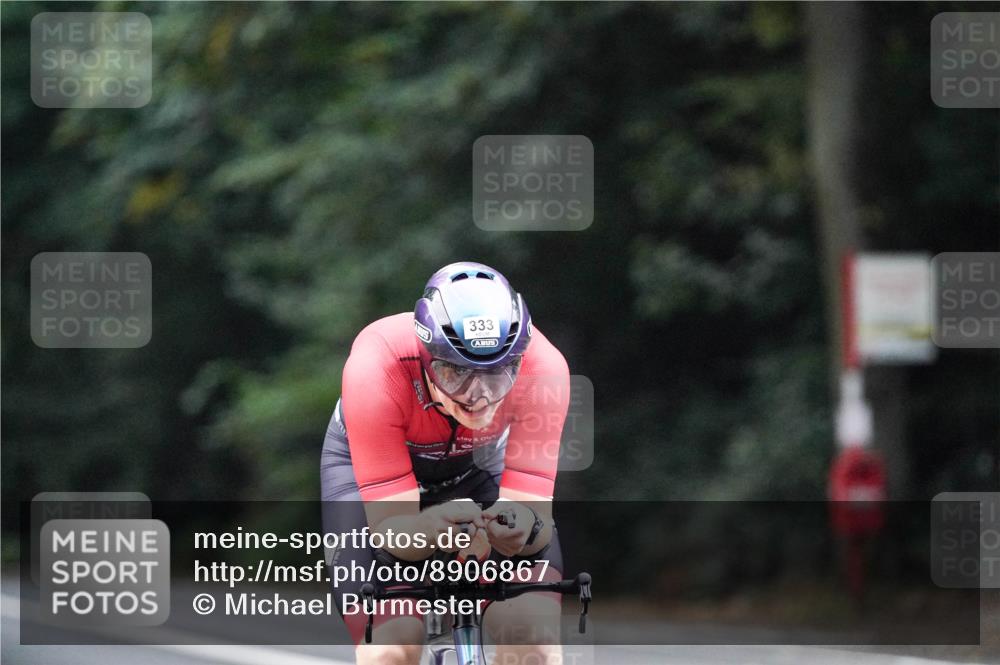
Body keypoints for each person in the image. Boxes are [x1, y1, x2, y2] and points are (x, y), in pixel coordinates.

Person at [320, 261, 571, 665]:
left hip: (477, 466)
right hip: (368, 476)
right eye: (457, 374)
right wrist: (428, 528)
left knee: (534, 645)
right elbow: (389, 533)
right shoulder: (377, 367)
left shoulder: (545, 370)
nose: (480, 396)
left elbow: (535, 524)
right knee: (391, 649)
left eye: (498, 375)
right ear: (426, 357)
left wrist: (523, 527)